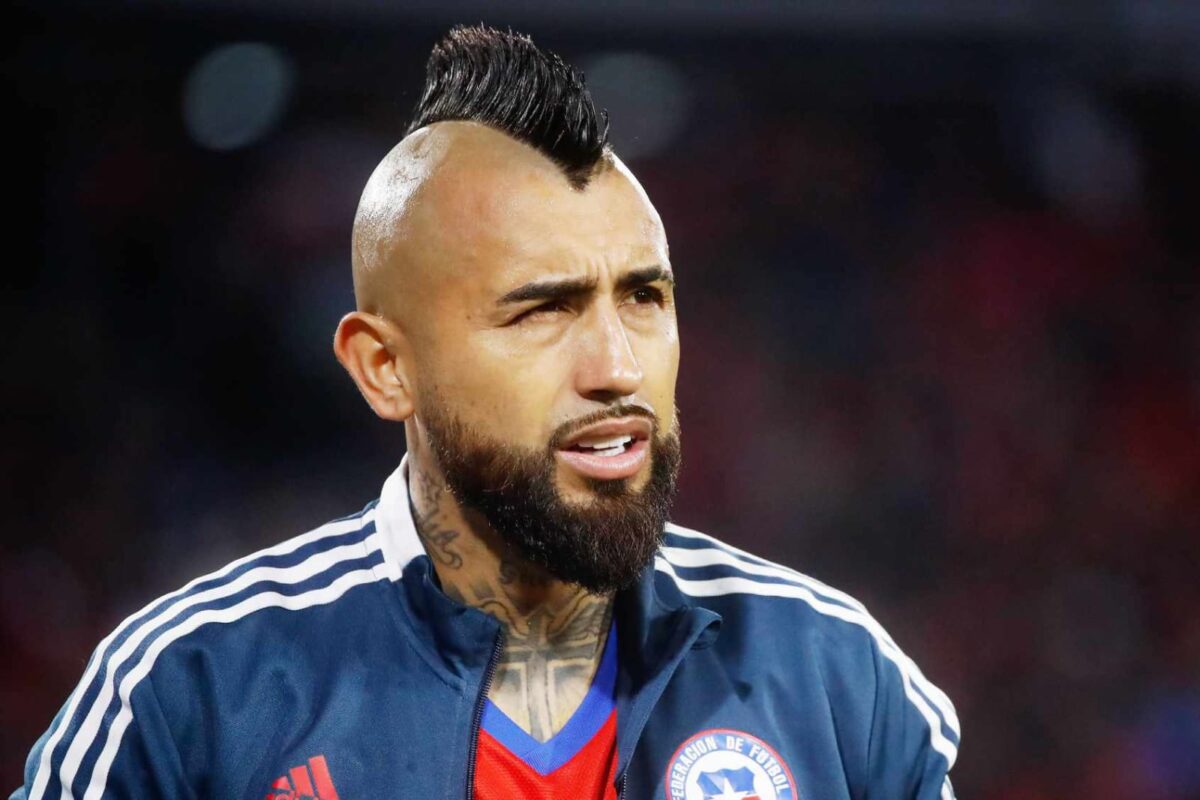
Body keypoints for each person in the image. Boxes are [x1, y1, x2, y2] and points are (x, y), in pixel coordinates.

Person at [13, 24, 960, 800]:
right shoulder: (192, 698)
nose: (617, 368)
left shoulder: (840, 682)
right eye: (542, 310)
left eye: (644, 297)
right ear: (385, 368)